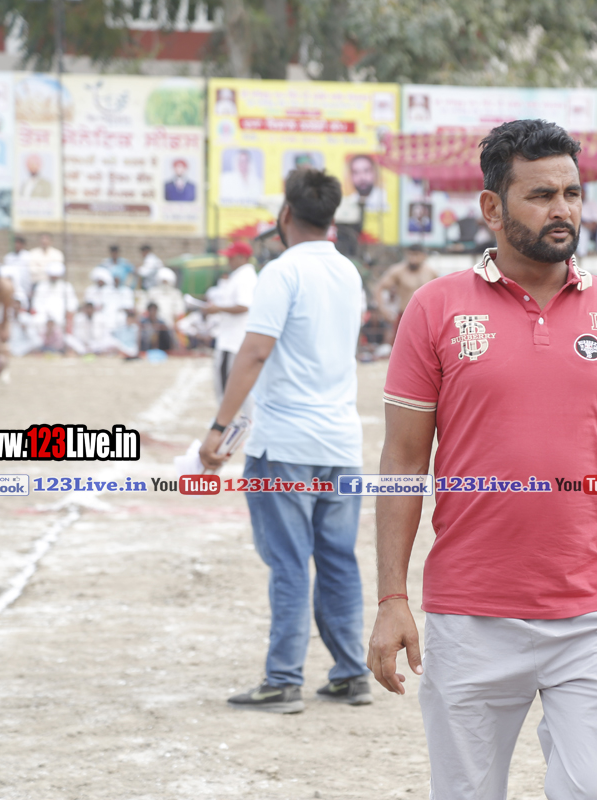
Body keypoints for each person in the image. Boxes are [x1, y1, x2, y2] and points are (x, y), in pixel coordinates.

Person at [369, 119, 597, 799]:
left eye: (572, 194)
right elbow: (402, 462)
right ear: (492, 208)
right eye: (542, 195)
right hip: (469, 613)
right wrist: (392, 598)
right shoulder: (435, 309)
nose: (563, 210)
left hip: (595, 615)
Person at [201, 167, 369, 714]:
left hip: (286, 445)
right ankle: (351, 673)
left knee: (291, 562)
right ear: (332, 216)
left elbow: (254, 352)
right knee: (339, 559)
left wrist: (219, 428)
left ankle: (282, 679)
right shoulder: (348, 272)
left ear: (286, 214)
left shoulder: (281, 271)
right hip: (340, 442)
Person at [206, 242, 258, 412]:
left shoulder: (244, 277)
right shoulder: (241, 275)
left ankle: (226, 423)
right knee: (236, 386)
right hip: (234, 338)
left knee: (227, 386)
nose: (228, 260)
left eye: (231, 257)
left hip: (233, 341)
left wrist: (217, 308)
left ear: (242, 258)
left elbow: (244, 306)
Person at [373, 244, 437, 344]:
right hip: (404, 315)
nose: (413, 259)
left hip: (425, 317)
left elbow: (439, 294)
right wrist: (382, 310)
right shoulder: (398, 271)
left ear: (423, 256)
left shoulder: (431, 272)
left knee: (426, 347)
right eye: (410, 255)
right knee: (400, 346)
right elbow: (379, 287)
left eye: (416, 255)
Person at [30, 262, 77, 337]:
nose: (54, 278)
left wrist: (66, 313)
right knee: (35, 321)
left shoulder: (66, 286)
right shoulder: (42, 286)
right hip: (44, 316)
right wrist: (47, 315)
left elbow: (72, 304)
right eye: (52, 276)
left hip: (61, 317)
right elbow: (36, 303)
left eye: (55, 276)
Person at [26, 233, 63, 300]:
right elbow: (32, 270)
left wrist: (40, 267)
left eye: (46, 239)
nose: (44, 241)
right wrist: (48, 269)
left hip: (53, 284)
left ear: (51, 241)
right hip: (37, 283)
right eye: (42, 239)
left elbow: (58, 270)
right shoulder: (32, 253)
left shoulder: (57, 253)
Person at [2, 236, 33, 303]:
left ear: (23, 245)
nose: (17, 245)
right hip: (12, 288)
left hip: (25, 287)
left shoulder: (28, 256)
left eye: (19, 243)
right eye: (15, 243)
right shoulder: (8, 257)